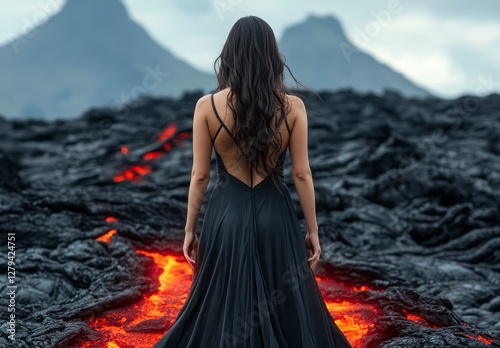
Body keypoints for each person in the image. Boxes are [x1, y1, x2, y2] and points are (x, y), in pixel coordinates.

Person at [153, 15, 351, 348]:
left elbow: (199, 175)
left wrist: (189, 229)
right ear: (272, 55)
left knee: (221, 305)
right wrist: (313, 231)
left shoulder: (206, 106)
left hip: (225, 216)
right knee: (285, 306)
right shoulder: (293, 107)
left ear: (229, 54)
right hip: (276, 215)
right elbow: (302, 173)